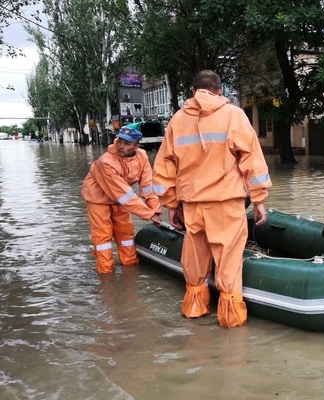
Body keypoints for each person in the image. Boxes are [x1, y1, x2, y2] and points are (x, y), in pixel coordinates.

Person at [152, 70, 271, 328]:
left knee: (195, 258)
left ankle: (194, 310)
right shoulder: (234, 116)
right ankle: (230, 320)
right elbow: (252, 160)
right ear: (220, 91)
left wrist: (171, 204)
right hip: (226, 202)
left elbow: (163, 168)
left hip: (192, 204)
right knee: (228, 259)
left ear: (193, 92)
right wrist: (260, 199)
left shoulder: (177, 120)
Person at [81, 126, 162, 274]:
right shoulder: (106, 161)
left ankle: (130, 268)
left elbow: (148, 186)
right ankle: (106, 274)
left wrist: (156, 209)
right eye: (120, 141)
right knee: (103, 237)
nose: (121, 146)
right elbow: (123, 193)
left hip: (121, 199)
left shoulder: (142, 156)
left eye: (127, 143)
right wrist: (148, 214)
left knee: (125, 233)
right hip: (98, 199)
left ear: (137, 146)